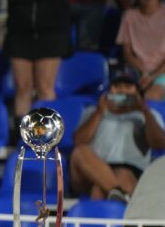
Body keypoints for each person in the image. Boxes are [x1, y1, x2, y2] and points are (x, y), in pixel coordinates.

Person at [70, 73, 165, 201]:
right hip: (92, 169)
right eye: (117, 86)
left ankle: (116, 193)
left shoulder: (148, 115)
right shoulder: (93, 111)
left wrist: (145, 112)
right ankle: (121, 194)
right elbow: (78, 141)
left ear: (138, 91)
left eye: (128, 86)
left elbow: (159, 144)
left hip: (129, 170)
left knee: (99, 188)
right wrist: (99, 113)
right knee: (79, 152)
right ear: (109, 90)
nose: (122, 90)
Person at [117, 0, 165, 101]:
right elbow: (127, 53)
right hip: (136, 71)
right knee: (120, 98)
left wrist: (153, 76)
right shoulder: (129, 16)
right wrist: (144, 73)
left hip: (161, 72)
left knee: (151, 97)